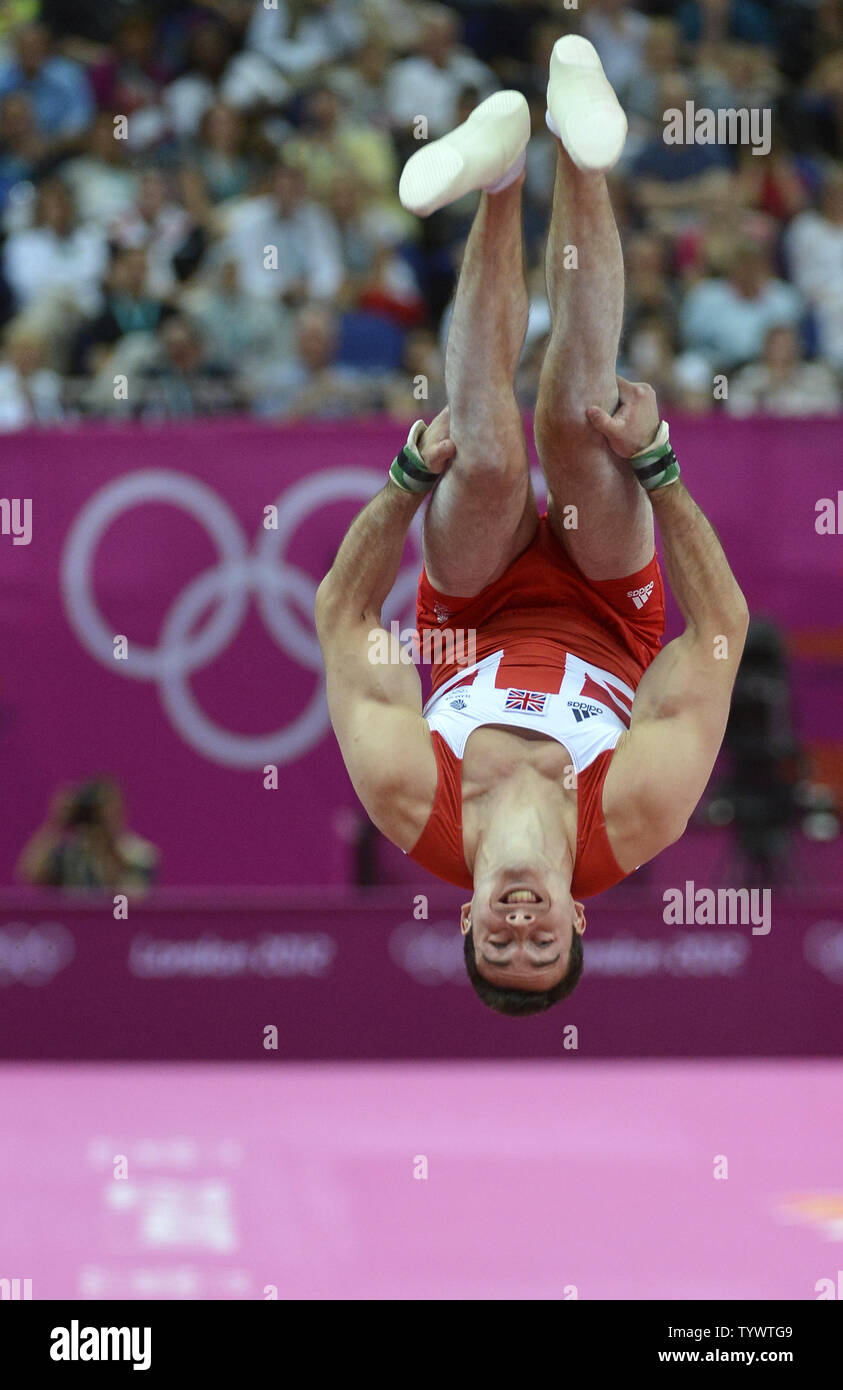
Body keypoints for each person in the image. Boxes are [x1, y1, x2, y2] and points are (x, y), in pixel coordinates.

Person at [316, 36, 749, 1016]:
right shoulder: (635, 814)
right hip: (609, 606)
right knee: (576, 424)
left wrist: (402, 483)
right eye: (539, 940)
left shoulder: (406, 801)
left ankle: (504, 172)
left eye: (501, 942)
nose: (520, 923)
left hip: (469, 611)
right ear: (578, 919)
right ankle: (581, 157)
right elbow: (720, 628)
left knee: (486, 452)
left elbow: (342, 618)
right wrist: (659, 468)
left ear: (464, 923)